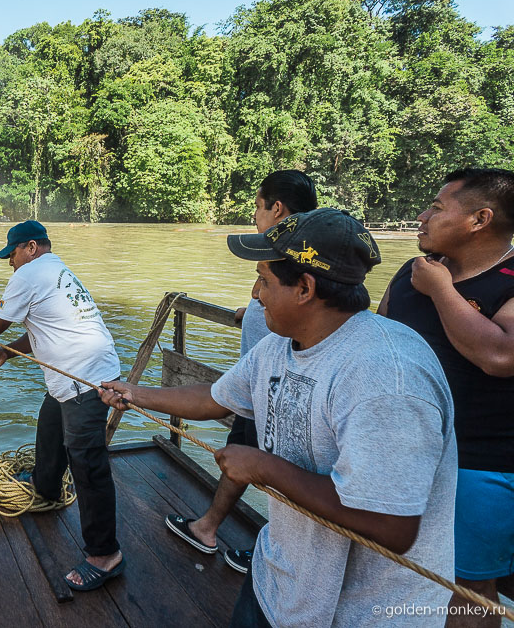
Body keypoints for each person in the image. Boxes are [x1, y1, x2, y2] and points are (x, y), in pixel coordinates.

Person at [101, 208, 457, 627]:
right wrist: (138, 393)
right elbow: (218, 399)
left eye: (265, 280)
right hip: (278, 581)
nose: (254, 293)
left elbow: (391, 527)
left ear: (305, 288)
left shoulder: (386, 377)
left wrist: (264, 467)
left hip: (363, 612)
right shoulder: (280, 345)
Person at [379, 168, 514, 628]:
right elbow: (380, 341)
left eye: (437, 207)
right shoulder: (411, 271)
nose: (422, 216)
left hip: (478, 460)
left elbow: (500, 355)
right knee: (393, 565)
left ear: (479, 219)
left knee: (468, 586)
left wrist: (440, 290)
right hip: (405, 450)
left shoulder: (507, 280)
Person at [167, 170, 317, 574]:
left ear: (277, 208)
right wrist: (252, 309)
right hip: (256, 384)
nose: (254, 214)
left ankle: (270, 551)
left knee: (280, 472)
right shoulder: (298, 251)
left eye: (256, 205)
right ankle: (213, 528)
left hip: (274, 391)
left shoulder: (299, 247)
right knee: (248, 462)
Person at [0, 220, 125, 591]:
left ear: (31, 247)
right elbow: (43, 332)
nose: (10, 263)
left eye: (12, 254)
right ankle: (45, 485)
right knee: (50, 425)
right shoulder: (57, 270)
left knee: (88, 465)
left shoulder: (32, 273)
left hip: (83, 378)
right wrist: (5, 353)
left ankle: (105, 555)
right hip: (81, 372)